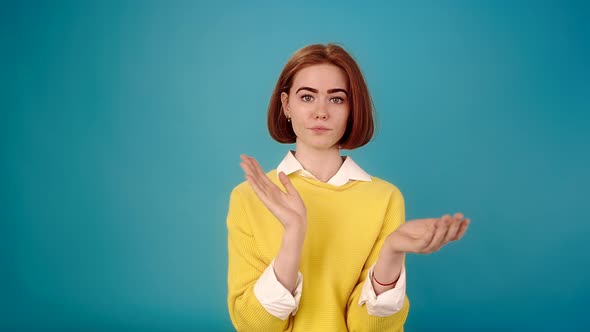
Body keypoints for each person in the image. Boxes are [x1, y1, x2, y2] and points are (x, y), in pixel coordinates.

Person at [226, 43, 470, 332]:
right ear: (286, 104)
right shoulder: (248, 197)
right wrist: (293, 235)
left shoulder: (384, 198)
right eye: (307, 97)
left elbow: (370, 329)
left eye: (337, 99)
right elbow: (252, 326)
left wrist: (392, 253)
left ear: (352, 109)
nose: (321, 112)